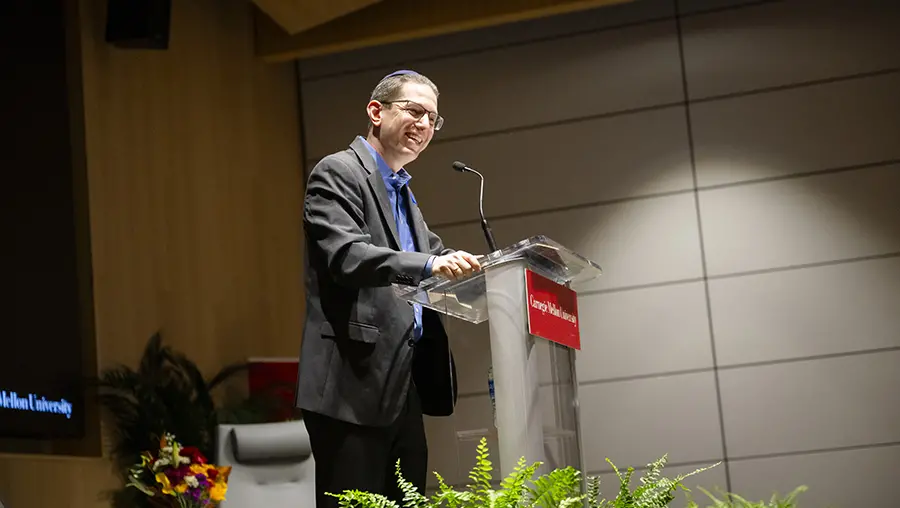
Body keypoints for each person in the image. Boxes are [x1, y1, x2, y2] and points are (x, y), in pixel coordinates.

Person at [295, 70, 482, 507]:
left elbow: (432, 257)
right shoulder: (339, 172)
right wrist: (433, 263)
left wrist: (484, 269)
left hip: (402, 381)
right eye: (414, 111)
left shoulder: (402, 192)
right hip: (351, 383)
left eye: (433, 119)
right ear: (376, 111)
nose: (424, 125)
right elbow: (346, 255)